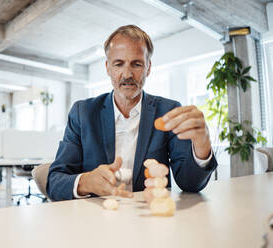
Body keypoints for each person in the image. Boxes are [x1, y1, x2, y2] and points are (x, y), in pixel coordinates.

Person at [46, 25, 217, 201]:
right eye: (119, 64)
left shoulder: (168, 111)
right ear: (108, 67)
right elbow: (54, 182)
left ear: (148, 67)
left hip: (149, 218)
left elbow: (190, 184)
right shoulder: (83, 113)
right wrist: (85, 182)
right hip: (97, 219)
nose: (127, 74)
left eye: (136, 64)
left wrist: (202, 145)